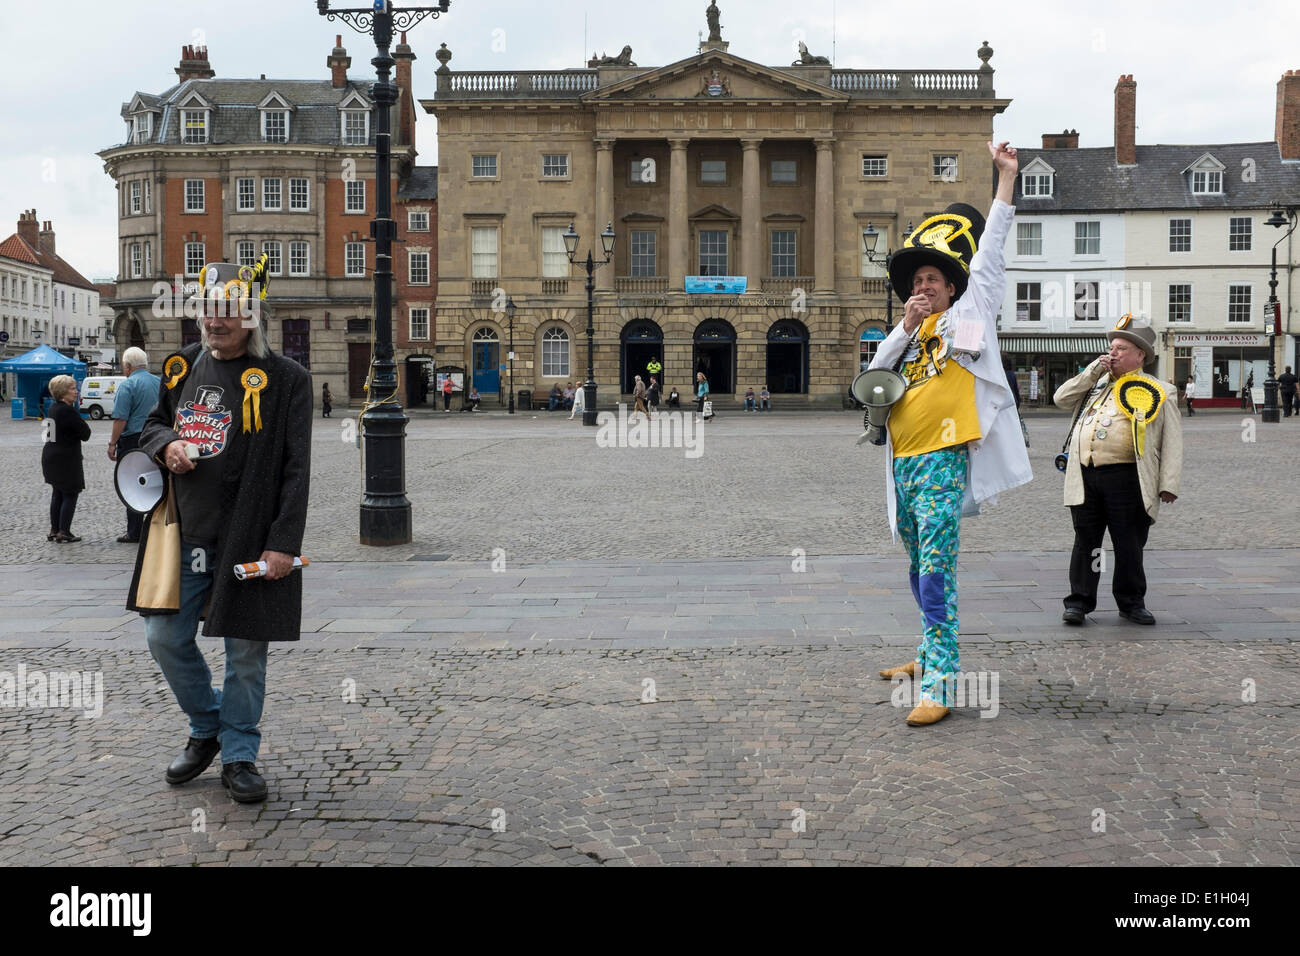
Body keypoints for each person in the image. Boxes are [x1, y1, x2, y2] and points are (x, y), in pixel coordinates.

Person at [128, 257, 311, 804]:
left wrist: (283, 544)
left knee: (246, 651)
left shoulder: (287, 381)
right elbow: (153, 425)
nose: (215, 321)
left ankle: (239, 753)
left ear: (253, 317)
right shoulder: (181, 367)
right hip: (181, 535)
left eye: (228, 312)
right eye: (208, 311)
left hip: (249, 539)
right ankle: (207, 727)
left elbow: (296, 469)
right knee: (163, 637)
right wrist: (167, 445)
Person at [870, 141, 1032, 727]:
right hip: (902, 464)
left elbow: (990, 254)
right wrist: (903, 328)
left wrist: (1005, 178)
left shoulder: (973, 313)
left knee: (936, 570)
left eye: (933, 278)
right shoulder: (909, 333)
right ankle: (924, 653)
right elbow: (871, 381)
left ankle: (941, 679)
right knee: (916, 566)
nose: (924, 286)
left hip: (942, 459)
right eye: (916, 281)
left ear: (953, 286)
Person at [1054, 315, 1182, 627]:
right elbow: (1060, 399)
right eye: (1111, 347)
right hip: (1087, 474)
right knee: (1086, 541)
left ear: (1141, 355)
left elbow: (1172, 441)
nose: (1114, 353)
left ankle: (1131, 602)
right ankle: (1079, 602)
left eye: (1122, 348)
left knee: (1129, 543)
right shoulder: (1094, 385)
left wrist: (1168, 484)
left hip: (1128, 477)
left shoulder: (1159, 390)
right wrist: (1092, 370)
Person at [107, 347, 163, 543]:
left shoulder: (128, 385)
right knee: (157, 481)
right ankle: (159, 528)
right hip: (157, 437)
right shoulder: (159, 382)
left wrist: (112, 443)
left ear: (128, 366)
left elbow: (120, 418)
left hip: (132, 440)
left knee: (132, 485)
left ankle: (135, 531)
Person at [42, 374, 90, 543]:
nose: (76, 392)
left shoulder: (53, 408)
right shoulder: (68, 411)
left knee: (57, 494)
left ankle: (54, 529)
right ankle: (64, 531)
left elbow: (48, 434)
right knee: (70, 493)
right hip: (66, 459)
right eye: (72, 389)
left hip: (50, 456)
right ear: (63, 392)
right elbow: (86, 434)